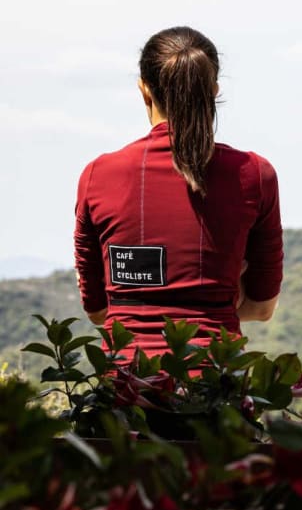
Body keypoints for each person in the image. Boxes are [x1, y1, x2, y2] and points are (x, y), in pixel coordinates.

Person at [74, 26, 283, 358]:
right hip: (214, 386)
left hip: (129, 388)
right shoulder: (254, 175)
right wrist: (225, 292)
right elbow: (261, 308)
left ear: (144, 91)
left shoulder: (98, 176)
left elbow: (99, 311)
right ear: (213, 91)